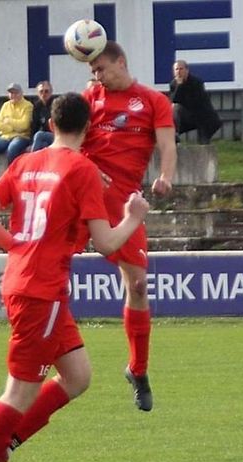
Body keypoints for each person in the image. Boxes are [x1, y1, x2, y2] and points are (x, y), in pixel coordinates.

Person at [0, 93, 150, 462]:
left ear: (51, 124)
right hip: (41, 290)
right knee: (19, 391)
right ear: (89, 127)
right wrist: (134, 215)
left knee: (77, 376)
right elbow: (108, 242)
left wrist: (18, 247)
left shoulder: (25, 162)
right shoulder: (81, 169)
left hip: (29, 283)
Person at [82, 41, 176, 412]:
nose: (98, 76)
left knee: (137, 285)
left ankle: (137, 369)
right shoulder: (89, 98)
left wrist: (166, 177)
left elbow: (168, 145)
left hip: (125, 203)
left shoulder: (153, 101)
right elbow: (66, 142)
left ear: (121, 61)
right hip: (84, 197)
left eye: (102, 68)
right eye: (93, 72)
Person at [0, 83, 33, 189]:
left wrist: (8, 121)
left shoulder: (27, 105)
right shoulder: (6, 105)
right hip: (5, 137)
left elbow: (24, 125)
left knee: (12, 149)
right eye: (11, 93)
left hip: (21, 136)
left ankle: (11, 176)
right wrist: (13, 126)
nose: (13, 95)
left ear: (21, 94)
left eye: (15, 92)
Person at [169, 60, 222, 144]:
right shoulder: (174, 84)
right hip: (187, 116)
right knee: (174, 108)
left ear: (187, 70)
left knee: (203, 144)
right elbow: (174, 101)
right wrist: (180, 86)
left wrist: (182, 86)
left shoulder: (196, 83)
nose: (179, 72)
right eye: (176, 69)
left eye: (181, 69)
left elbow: (197, 103)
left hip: (202, 116)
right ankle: (175, 134)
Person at [29, 80, 55, 151]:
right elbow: (34, 125)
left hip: (56, 136)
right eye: (41, 91)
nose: (44, 94)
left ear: (51, 92)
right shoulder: (37, 106)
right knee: (43, 146)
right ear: (38, 93)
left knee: (39, 134)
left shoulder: (56, 104)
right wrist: (31, 143)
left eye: (46, 91)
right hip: (45, 137)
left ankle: (31, 159)